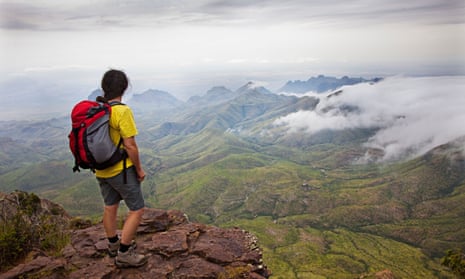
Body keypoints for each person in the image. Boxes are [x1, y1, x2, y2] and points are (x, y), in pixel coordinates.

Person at [95, 69, 147, 268]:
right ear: (124, 88)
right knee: (137, 209)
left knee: (110, 207)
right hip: (120, 170)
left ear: (104, 88)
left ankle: (113, 245)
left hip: (101, 170)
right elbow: (130, 145)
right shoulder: (122, 111)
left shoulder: (99, 109)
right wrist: (139, 169)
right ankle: (124, 253)